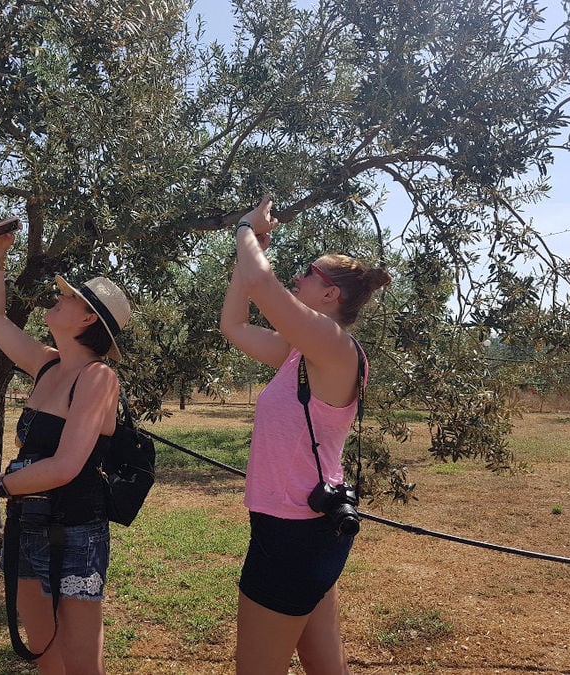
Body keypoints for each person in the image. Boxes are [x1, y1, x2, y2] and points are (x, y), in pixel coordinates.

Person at [220, 196, 391, 675]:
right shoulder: (300, 354)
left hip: (294, 533)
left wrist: (246, 230)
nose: (297, 277)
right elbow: (232, 324)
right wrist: (252, 245)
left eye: (308, 273)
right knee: (323, 666)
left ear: (330, 294)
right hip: (302, 526)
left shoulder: (336, 348)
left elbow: (261, 281)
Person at [0, 222, 131, 675]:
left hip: (76, 532)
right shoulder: (46, 364)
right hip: (28, 524)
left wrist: (5, 484)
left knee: (83, 661)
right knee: (45, 649)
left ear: (88, 318)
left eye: (69, 297)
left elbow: (67, 465)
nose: (58, 297)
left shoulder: (100, 378)